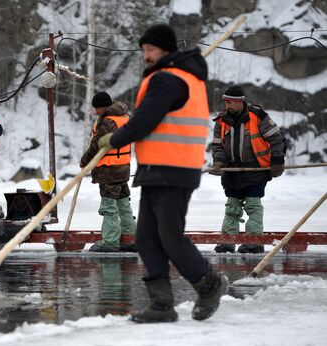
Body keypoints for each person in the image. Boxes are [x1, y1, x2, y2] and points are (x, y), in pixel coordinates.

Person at [98, 23, 227, 322]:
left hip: (174, 167)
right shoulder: (179, 77)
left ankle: (209, 284)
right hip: (159, 168)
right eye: (144, 50)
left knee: (169, 236)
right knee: (146, 238)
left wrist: (113, 138)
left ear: (166, 50)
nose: (146, 55)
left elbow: (144, 119)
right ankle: (161, 305)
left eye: (151, 50)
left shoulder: (168, 80)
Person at [210, 86, 285, 253]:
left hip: (256, 170)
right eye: (226, 102)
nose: (227, 105)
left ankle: (254, 241)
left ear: (239, 101)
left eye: (230, 102)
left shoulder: (258, 117)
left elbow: (276, 138)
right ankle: (227, 241)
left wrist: (277, 161)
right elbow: (217, 146)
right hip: (232, 172)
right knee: (232, 207)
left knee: (253, 205)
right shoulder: (221, 121)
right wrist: (219, 164)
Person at [80, 92, 137, 253]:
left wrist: (84, 161)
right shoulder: (124, 118)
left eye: (96, 108)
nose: (96, 112)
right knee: (123, 203)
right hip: (122, 168)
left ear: (102, 107)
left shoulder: (107, 122)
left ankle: (110, 241)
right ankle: (131, 237)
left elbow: (97, 146)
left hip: (109, 170)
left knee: (109, 206)